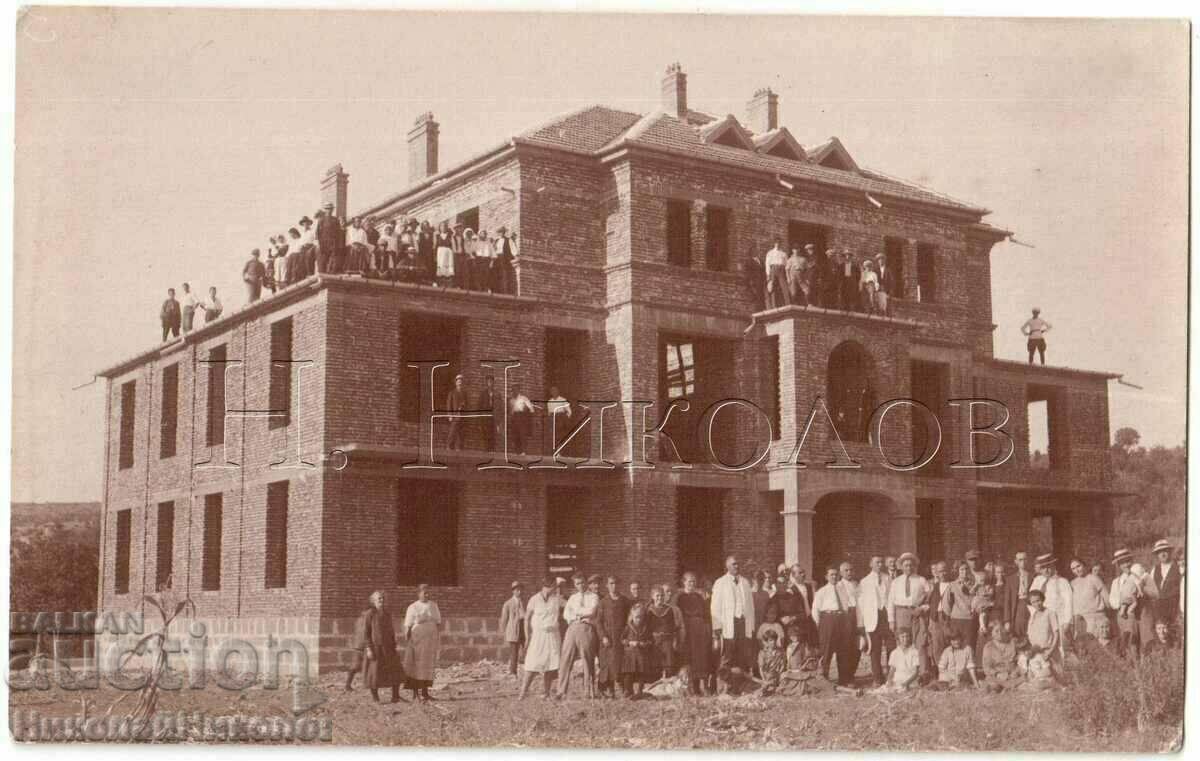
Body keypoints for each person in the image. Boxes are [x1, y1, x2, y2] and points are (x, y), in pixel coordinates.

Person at [711, 555, 757, 686]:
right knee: (727, 656)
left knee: (742, 655)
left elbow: (750, 607)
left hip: (743, 623)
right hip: (728, 625)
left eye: (737, 564)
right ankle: (722, 686)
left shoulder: (745, 582)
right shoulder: (720, 583)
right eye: (733, 564)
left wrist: (751, 627)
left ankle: (739, 686)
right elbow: (715, 607)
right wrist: (717, 626)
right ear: (727, 566)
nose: (737, 566)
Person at [520, 576, 564, 699]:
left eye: (555, 587)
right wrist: (527, 636)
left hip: (552, 636)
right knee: (532, 664)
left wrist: (562, 586)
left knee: (550, 665)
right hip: (538, 636)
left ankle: (546, 692)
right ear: (546, 587)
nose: (554, 589)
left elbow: (569, 604)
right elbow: (527, 618)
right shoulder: (534, 599)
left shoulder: (557, 599)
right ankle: (523, 692)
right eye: (553, 587)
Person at [557, 573, 600, 699]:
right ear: (575, 585)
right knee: (565, 658)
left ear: (586, 582)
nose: (580, 586)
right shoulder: (573, 598)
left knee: (587, 659)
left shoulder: (593, 596)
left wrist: (577, 613)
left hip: (586, 628)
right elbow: (566, 614)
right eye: (577, 583)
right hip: (572, 628)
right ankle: (561, 691)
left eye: (582, 582)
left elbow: (591, 612)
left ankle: (588, 691)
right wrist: (578, 615)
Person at [812, 566, 852, 686]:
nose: (834, 577)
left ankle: (843, 679)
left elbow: (846, 606)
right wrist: (819, 626)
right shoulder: (821, 591)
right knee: (827, 650)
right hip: (828, 620)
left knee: (843, 650)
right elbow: (815, 610)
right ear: (826, 577)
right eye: (831, 575)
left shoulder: (843, 590)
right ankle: (824, 679)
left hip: (841, 620)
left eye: (836, 575)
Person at [360, 590, 404, 703]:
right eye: (379, 598)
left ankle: (395, 696)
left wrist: (394, 645)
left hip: (389, 648)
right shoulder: (370, 614)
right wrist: (369, 648)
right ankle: (375, 698)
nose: (381, 600)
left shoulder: (387, 614)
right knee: (374, 673)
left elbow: (391, 631)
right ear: (373, 601)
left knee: (395, 671)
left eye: (383, 598)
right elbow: (366, 633)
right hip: (375, 648)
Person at [402, 585, 442, 702]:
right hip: (417, 640)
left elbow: (438, 622)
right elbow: (408, 626)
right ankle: (416, 693)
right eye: (425, 593)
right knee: (416, 666)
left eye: (428, 593)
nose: (427, 595)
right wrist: (408, 641)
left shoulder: (433, 605)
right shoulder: (413, 607)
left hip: (430, 641)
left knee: (427, 666)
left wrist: (436, 637)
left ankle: (425, 692)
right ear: (418, 593)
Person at [857, 555, 892, 687]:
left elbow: (891, 597)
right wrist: (862, 623)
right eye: (877, 562)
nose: (880, 564)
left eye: (881, 562)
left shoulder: (888, 578)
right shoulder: (864, 581)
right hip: (873, 618)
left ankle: (891, 676)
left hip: (886, 616)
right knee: (875, 649)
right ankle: (877, 678)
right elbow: (861, 604)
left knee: (891, 648)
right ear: (870, 564)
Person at [676, 572, 712, 695]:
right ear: (684, 582)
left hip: (700, 630)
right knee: (691, 658)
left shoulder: (698, 597)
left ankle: (703, 686)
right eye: (689, 581)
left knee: (701, 658)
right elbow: (679, 616)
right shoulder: (680, 598)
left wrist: (706, 628)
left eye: (693, 581)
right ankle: (693, 688)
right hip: (688, 630)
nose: (692, 584)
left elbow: (705, 614)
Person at [596, 575, 630, 698]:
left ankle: (622, 687)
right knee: (608, 663)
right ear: (607, 585)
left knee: (620, 662)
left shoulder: (625, 601)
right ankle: (608, 689)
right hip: (608, 638)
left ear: (619, 584)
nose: (613, 586)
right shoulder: (603, 602)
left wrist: (626, 635)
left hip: (620, 637)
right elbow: (598, 622)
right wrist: (603, 636)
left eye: (616, 583)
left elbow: (629, 620)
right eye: (611, 583)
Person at [1030, 554, 1073, 650]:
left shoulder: (1062, 582)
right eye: (1043, 568)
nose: (1046, 570)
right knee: (1043, 644)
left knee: (1058, 645)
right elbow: (1031, 600)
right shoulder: (1037, 581)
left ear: (1053, 566)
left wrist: (1067, 621)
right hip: (1043, 619)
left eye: (1049, 567)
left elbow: (1068, 602)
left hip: (1058, 618)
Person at [940, 560, 979, 658]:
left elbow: (978, 599)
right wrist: (951, 616)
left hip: (970, 621)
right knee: (957, 645)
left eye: (966, 569)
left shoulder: (974, 585)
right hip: (956, 620)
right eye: (961, 570)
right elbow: (946, 603)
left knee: (969, 646)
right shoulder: (952, 585)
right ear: (957, 571)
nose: (964, 572)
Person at [1108, 548, 1141, 656]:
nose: (1126, 565)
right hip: (1122, 617)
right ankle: (1128, 668)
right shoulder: (1116, 582)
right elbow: (1112, 601)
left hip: (1137, 614)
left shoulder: (1138, 576)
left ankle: (1139, 669)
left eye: (1128, 561)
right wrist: (1123, 601)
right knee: (1125, 642)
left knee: (1136, 643)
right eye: (1123, 563)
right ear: (1118, 565)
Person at [1147, 538, 1182, 631]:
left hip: (1174, 608)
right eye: (1159, 552)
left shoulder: (1178, 567)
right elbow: (1151, 590)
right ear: (1157, 555)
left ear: (1170, 552)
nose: (1162, 554)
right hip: (1159, 610)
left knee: (1174, 633)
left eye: (1165, 551)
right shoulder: (1155, 570)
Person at [1069, 557, 1109, 637]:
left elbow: (1107, 599)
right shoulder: (1072, 584)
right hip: (1081, 622)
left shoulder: (1093, 578)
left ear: (1084, 565)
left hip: (1097, 619)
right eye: (1073, 569)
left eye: (1078, 566)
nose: (1077, 570)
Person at [647, 585, 678, 681]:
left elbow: (673, 626)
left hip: (667, 640)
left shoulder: (669, 610)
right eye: (657, 596)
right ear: (652, 597)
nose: (659, 598)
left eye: (661, 596)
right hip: (655, 640)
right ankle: (656, 687)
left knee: (668, 663)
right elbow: (647, 628)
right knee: (656, 663)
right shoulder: (649, 610)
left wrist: (674, 640)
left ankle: (668, 686)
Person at [621, 602, 652, 699]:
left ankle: (640, 690)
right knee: (628, 673)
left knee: (641, 673)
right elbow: (622, 639)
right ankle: (628, 690)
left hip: (641, 654)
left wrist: (644, 643)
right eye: (636, 617)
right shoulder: (628, 628)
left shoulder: (645, 628)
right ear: (632, 616)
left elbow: (650, 640)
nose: (638, 619)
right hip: (630, 654)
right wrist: (629, 643)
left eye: (640, 617)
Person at [877, 627, 920, 692]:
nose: (905, 639)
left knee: (902, 689)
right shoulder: (894, 653)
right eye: (902, 637)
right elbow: (892, 670)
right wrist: (889, 680)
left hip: (910, 680)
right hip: (897, 680)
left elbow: (916, 672)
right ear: (898, 638)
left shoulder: (914, 652)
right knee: (883, 690)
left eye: (907, 636)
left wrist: (907, 683)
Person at [980, 621, 1020, 691]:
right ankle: (1007, 686)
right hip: (997, 676)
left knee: (1023, 681)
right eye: (996, 631)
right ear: (991, 633)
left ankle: (1008, 686)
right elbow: (987, 667)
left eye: (1001, 630)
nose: (1000, 633)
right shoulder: (988, 647)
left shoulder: (1012, 643)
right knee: (994, 685)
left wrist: (1016, 671)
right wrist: (997, 674)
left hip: (1012, 674)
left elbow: (1020, 660)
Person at [499, 581, 526, 679]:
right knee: (514, 652)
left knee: (526, 650)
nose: (519, 592)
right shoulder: (508, 603)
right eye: (517, 590)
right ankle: (513, 672)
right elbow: (504, 619)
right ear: (513, 591)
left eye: (520, 590)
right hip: (514, 631)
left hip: (523, 629)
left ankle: (528, 672)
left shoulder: (524, 602)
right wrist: (504, 632)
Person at [1004, 550, 1034, 638]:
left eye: (1025, 559)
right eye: (1020, 560)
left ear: (1027, 560)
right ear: (1016, 562)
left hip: (1031, 606)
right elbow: (1007, 601)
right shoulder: (1010, 579)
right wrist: (1007, 620)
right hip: (1017, 607)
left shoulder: (1033, 576)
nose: (1023, 562)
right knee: (1018, 633)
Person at [1025, 588, 1060, 658]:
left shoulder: (1050, 613)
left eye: (1038, 600)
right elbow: (1030, 635)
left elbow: (1056, 634)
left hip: (1048, 652)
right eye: (1033, 602)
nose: (1037, 604)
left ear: (1042, 599)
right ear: (1031, 603)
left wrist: (1050, 651)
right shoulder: (1032, 617)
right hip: (1035, 652)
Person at [756, 629, 786, 695]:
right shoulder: (762, 653)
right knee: (769, 679)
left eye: (775, 640)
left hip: (778, 674)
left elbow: (782, 665)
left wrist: (779, 675)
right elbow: (761, 668)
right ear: (767, 642)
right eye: (771, 640)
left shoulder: (781, 651)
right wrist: (764, 679)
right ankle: (767, 686)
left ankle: (769, 687)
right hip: (766, 675)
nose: (773, 642)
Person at [316, 204, 343, 274]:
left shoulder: (335, 220)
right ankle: (322, 274)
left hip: (333, 243)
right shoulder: (321, 220)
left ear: (332, 210)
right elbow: (318, 233)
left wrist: (339, 244)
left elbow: (339, 233)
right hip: (324, 243)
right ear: (325, 210)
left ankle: (331, 275)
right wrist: (319, 244)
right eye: (327, 209)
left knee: (333, 260)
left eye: (330, 209)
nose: (329, 210)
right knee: (323, 260)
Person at [445, 374, 468, 451]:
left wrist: (464, 406)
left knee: (460, 432)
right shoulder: (452, 393)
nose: (460, 383)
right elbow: (449, 405)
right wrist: (450, 415)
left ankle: (459, 447)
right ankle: (449, 446)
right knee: (452, 431)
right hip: (454, 416)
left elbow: (467, 405)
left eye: (461, 381)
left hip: (462, 416)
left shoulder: (464, 393)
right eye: (458, 381)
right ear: (455, 383)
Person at [764, 240, 789, 310]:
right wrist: (768, 275)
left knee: (784, 286)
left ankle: (787, 304)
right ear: (774, 244)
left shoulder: (784, 253)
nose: (777, 244)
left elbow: (786, 265)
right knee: (772, 287)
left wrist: (787, 275)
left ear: (780, 243)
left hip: (781, 269)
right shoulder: (770, 253)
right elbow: (767, 264)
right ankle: (773, 306)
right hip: (773, 269)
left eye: (779, 243)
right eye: (776, 243)